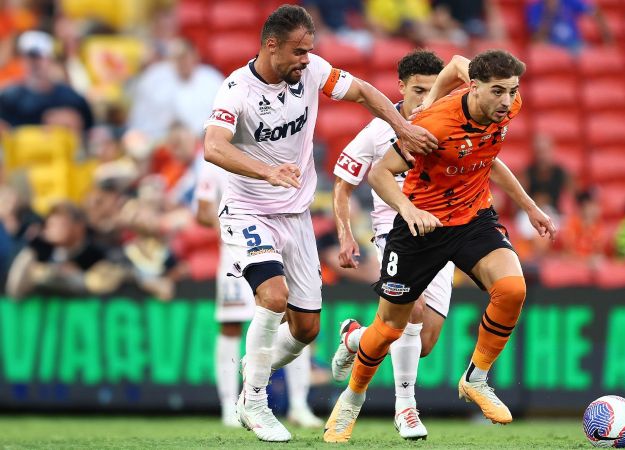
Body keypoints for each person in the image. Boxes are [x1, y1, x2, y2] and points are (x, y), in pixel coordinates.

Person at [202, 5, 437, 442]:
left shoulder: (312, 72)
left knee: (306, 329)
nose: (306, 59)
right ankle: (256, 402)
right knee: (273, 297)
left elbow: (365, 93)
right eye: (298, 52)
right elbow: (213, 147)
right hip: (249, 210)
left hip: (297, 215)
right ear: (271, 46)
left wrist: (402, 126)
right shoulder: (236, 89)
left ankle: (253, 372)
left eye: (310, 50)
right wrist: (265, 170)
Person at [323, 50, 556, 443]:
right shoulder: (430, 127)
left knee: (512, 289)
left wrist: (530, 207)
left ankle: (477, 379)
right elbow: (380, 174)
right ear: (476, 89)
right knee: (391, 327)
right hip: (419, 227)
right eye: (497, 91)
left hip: (471, 218)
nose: (506, 101)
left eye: (511, 91)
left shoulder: (507, 105)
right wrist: (408, 209)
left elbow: (487, 149)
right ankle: (351, 401)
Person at [330, 49, 468, 440]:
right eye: (418, 91)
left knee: (422, 342)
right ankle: (405, 407)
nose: (425, 101)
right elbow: (343, 182)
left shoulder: (448, 123)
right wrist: (345, 232)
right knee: (413, 311)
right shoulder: (378, 131)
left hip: (442, 234)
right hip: (394, 233)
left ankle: (354, 336)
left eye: (432, 92)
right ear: (401, 87)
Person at [194, 159, 322, 429]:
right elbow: (202, 211)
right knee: (231, 326)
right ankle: (229, 406)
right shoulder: (217, 161)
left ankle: (299, 404)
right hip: (235, 253)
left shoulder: (273, 151)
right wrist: (234, 224)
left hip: (273, 249)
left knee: (291, 319)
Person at [128, 39, 224, 141]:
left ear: (195, 56)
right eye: (177, 57)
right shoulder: (154, 78)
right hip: (158, 140)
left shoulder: (212, 79)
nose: (183, 62)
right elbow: (140, 117)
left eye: (185, 56)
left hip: (202, 143)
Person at [0, 30, 93, 132]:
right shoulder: (8, 97)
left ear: (50, 60)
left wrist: (76, 122)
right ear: (21, 60)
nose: (34, 63)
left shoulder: (71, 98)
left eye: (38, 58)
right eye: (29, 57)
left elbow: (89, 130)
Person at [526, 0, 614, 55]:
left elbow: (595, 12)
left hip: (574, 45)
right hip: (552, 48)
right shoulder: (535, 8)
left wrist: (608, 41)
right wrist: (549, 12)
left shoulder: (569, 2)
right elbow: (537, 39)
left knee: (593, 56)